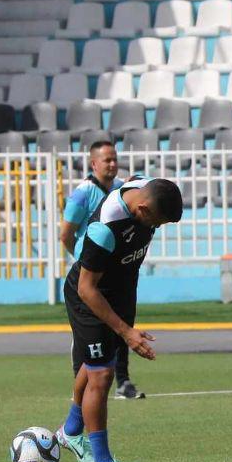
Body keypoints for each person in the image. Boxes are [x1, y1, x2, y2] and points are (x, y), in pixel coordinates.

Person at [56, 176, 183, 462]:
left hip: (122, 287)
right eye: (156, 221)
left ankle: (71, 431)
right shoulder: (105, 230)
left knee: (101, 365)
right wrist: (126, 331)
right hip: (92, 296)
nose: (156, 228)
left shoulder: (143, 187)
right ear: (141, 207)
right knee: (101, 374)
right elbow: (87, 289)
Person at [60, 141, 147, 400]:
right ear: (93, 163)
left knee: (121, 327)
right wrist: (83, 258)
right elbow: (65, 233)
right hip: (91, 271)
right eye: (106, 160)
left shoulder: (122, 189)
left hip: (113, 273)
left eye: (114, 159)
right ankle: (82, 394)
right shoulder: (82, 193)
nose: (112, 164)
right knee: (88, 338)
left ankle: (124, 382)